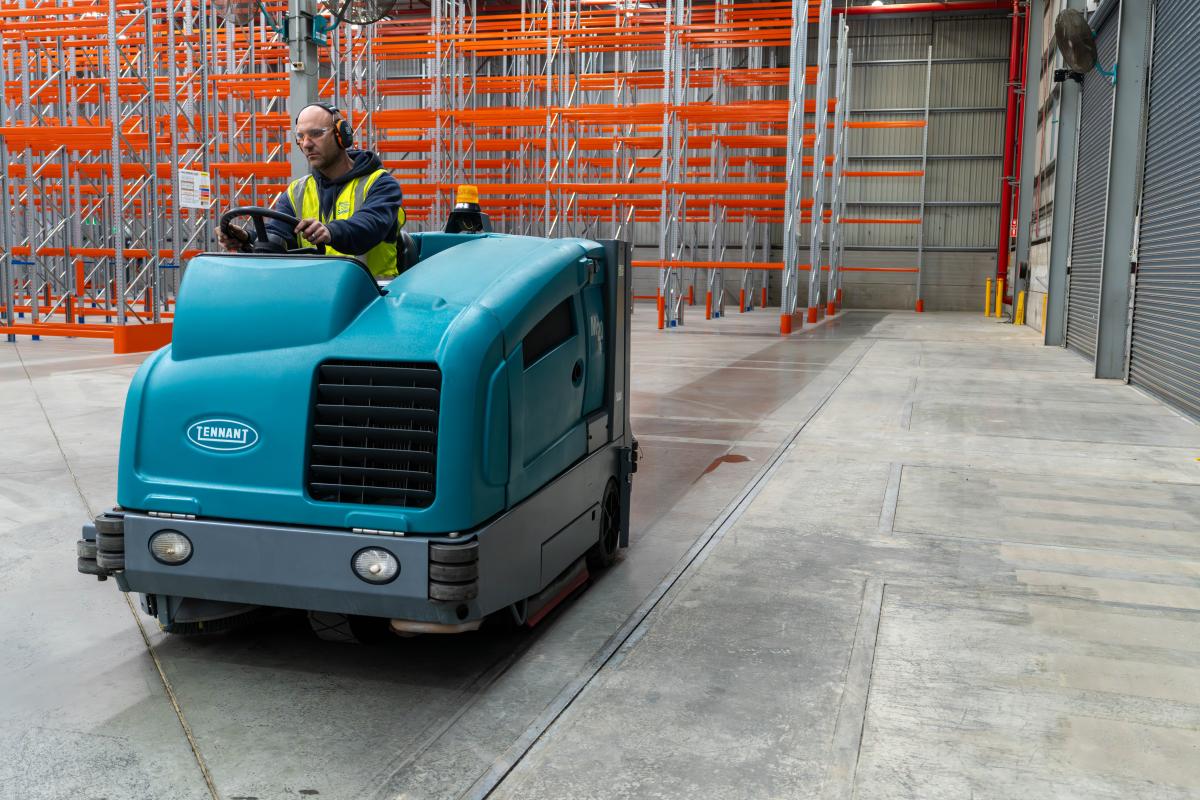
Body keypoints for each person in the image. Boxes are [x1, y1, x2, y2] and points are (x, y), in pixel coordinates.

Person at [217, 102, 406, 279]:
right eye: (300, 136)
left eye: (316, 133)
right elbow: (277, 233)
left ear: (342, 136)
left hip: (372, 298)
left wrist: (330, 231)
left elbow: (368, 227)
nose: (306, 144)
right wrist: (248, 238)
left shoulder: (381, 184)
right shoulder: (297, 192)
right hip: (316, 295)